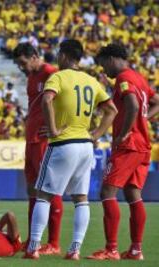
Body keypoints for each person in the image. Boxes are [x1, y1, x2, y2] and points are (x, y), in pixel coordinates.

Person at [24, 39, 118, 260]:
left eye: (59, 54)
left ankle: (33, 247)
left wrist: (54, 129)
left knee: (43, 196)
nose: (57, 58)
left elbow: (47, 100)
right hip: (85, 146)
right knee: (81, 198)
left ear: (65, 56)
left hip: (63, 144)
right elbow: (111, 110)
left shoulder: (57, 76)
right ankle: (74, 250)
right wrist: (95, 134)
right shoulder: (91, 81)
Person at [88, 44, 159, 260]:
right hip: (143, 144)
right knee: (132, 194)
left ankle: (111, 249)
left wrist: (123, 134)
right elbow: (155, 102)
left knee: (107, 193)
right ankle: (136, 250)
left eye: (103, 65)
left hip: (128, 145)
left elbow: (133, 106)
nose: (104, 71)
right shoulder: (140, 78)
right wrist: (143, 121)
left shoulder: (123, 78)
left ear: (112, 59)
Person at [12, 42, 63, 255]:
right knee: (32, 189)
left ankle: (54, 242)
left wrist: (57, 127)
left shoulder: (51, 73)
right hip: (31, 139)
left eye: (23, 62)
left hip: (44, 141)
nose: (21, 67)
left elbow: (67, 100)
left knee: (50, 188)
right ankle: (34, 239)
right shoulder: (32, 77)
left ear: (34, 56)